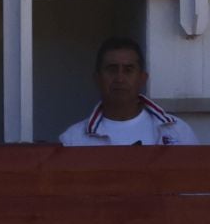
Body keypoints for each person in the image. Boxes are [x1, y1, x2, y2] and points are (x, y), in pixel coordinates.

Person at [59, 38, 197, 146]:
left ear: (142, 79)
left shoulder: (178, 132)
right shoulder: (74, 139)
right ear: (97, 79)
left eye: (128, 70)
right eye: (112, 69)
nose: (119, 78)